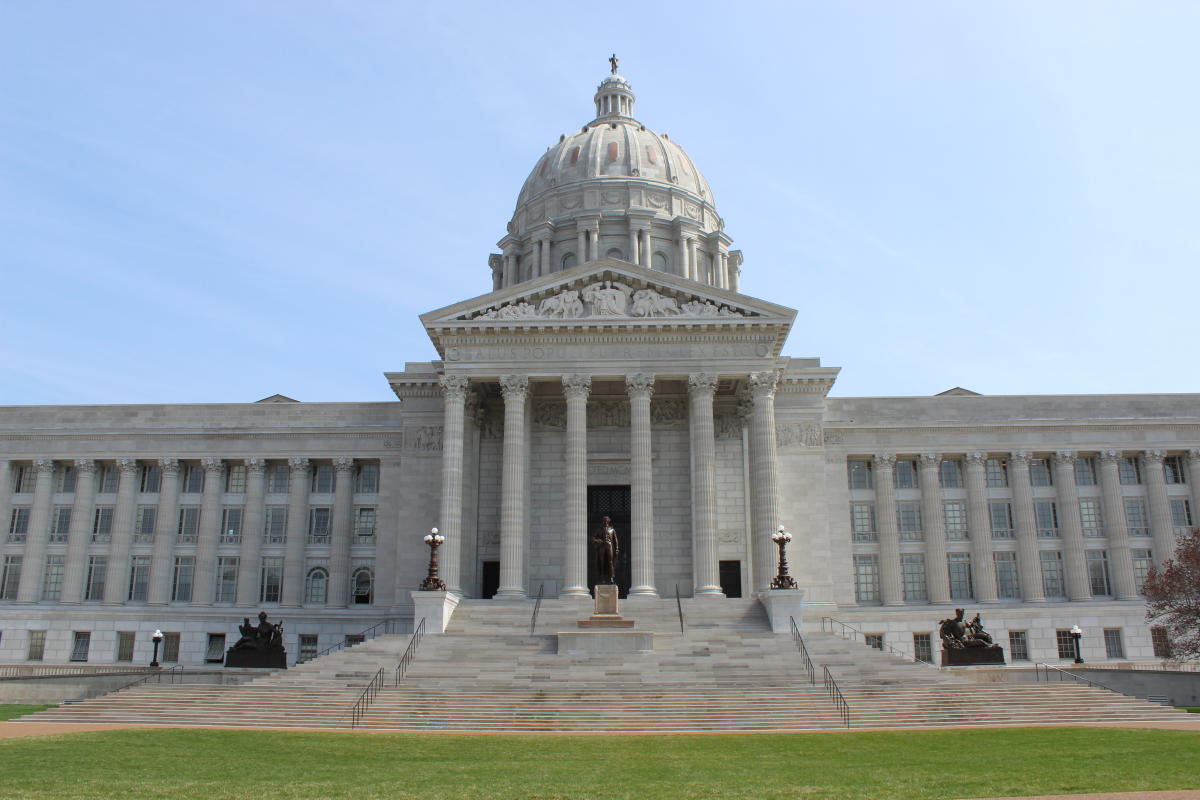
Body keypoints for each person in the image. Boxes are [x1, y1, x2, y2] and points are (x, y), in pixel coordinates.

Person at [593, 516, 619, 585]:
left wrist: (616, 548)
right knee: (602, 562)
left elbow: (615, 539)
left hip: (609, 546)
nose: (605, 521)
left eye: (606, 520)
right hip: (602, 546)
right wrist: (597, 540)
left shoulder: (612, 530)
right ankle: (602, 578)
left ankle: (611, 577)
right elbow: (593, 538)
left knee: (610, 562)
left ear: (609, 521)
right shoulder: (599, 529)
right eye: (604, 520)